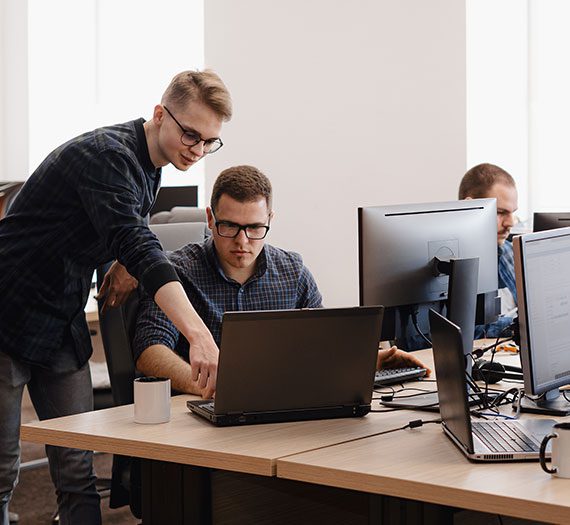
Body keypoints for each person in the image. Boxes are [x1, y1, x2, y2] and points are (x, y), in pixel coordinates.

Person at [0, 70, 231, 525]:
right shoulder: (106, 156)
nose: (198, 150)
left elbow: (125, 225)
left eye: (209, 141)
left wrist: (121, 262)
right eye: (190, 135)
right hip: (7, 313)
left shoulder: (152, 164)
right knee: (3, 468)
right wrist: (200, 336)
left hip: (61, 320)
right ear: (160, 114)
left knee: (77, 464)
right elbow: (136, 240)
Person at [133, 165, 428, 395]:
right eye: (229, 226)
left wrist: (373, 360)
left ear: (270, 219)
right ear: (210, 219)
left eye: (254, 228)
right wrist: (209, 386)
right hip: (206, 415)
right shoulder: (176, 272)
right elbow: (151, 352)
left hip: (280, 411)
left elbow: (322, 347)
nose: (242, 241)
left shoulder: (292, 272)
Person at [458, 163, 519, 338]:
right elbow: (424, 338)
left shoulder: (509, 252)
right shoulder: (442, 265)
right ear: (469, 208)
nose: (511, 223)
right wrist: (518, 326)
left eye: (513, 212)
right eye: (500, 212)